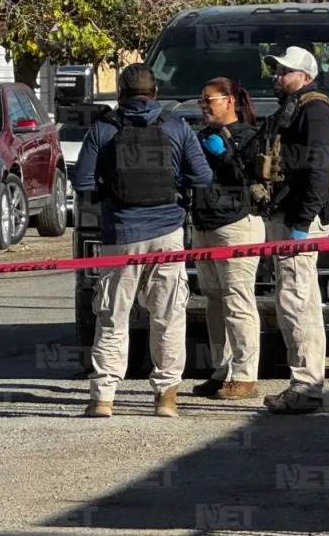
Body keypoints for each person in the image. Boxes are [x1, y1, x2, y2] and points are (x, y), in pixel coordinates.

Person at [72, 63, 214, 419]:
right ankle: (166, 396)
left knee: (112, 316)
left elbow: (84, 182)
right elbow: (203, 176)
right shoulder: (175, 126)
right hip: (168, 233)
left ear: (120, 94)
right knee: (168, 316)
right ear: (154, 94)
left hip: (120, 236)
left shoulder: (103, 128)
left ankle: (103, 397)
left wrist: (112, 194)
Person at [254, 46, 329, 414]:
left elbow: (319, 172)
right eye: (274, 70)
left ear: (306, 76)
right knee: (292, 298)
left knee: (298, 300)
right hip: (286, 217)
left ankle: (306, 386)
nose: (276, 76)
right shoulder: (292, 108)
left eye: (284, 71)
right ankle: (304, 383)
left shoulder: (315, 110)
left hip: (298, 221)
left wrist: (301, 224)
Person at [188, 77, 265, 401]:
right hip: (205, 226)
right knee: (215, 301)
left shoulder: (249, 135)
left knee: (238, 300)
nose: (204, 106)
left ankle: (245, 375)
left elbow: (249, 180)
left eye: (210, 100)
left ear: (230, 100)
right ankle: (222, 370)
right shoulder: (201, 135)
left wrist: (222, 154)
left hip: (236, 224)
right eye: (201, 101)